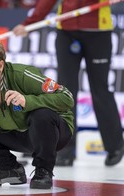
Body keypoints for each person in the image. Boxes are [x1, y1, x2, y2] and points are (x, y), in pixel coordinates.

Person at [0, 37, 74, 189]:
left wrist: (27, 101)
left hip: (54, 134)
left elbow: (67, 97)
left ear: (0, 65)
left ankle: (43, 170)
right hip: (15, 135)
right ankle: (8, 168)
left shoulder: (22, 74)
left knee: (41, 114)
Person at [12, 0, 124, 166]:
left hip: (98, 32)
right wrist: (29, 24)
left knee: (100, 90)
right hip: (66, 33)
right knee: (65, 92)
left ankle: (115, 146)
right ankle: (65, 150)